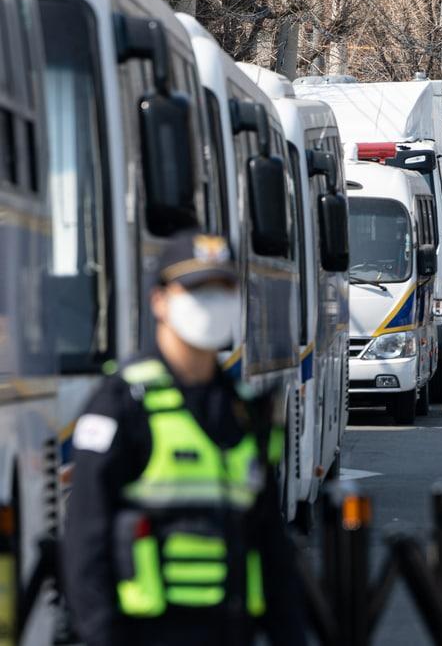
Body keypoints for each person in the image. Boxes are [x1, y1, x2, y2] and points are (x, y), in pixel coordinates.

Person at [63, 232, 305, 646]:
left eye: (224, 288)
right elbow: (86, 544)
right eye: (196, 290)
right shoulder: (122, 404)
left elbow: (269, 544)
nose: (212, 302)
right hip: (148, 634)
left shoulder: (245, 412)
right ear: (159, 301)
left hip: (231, 631)